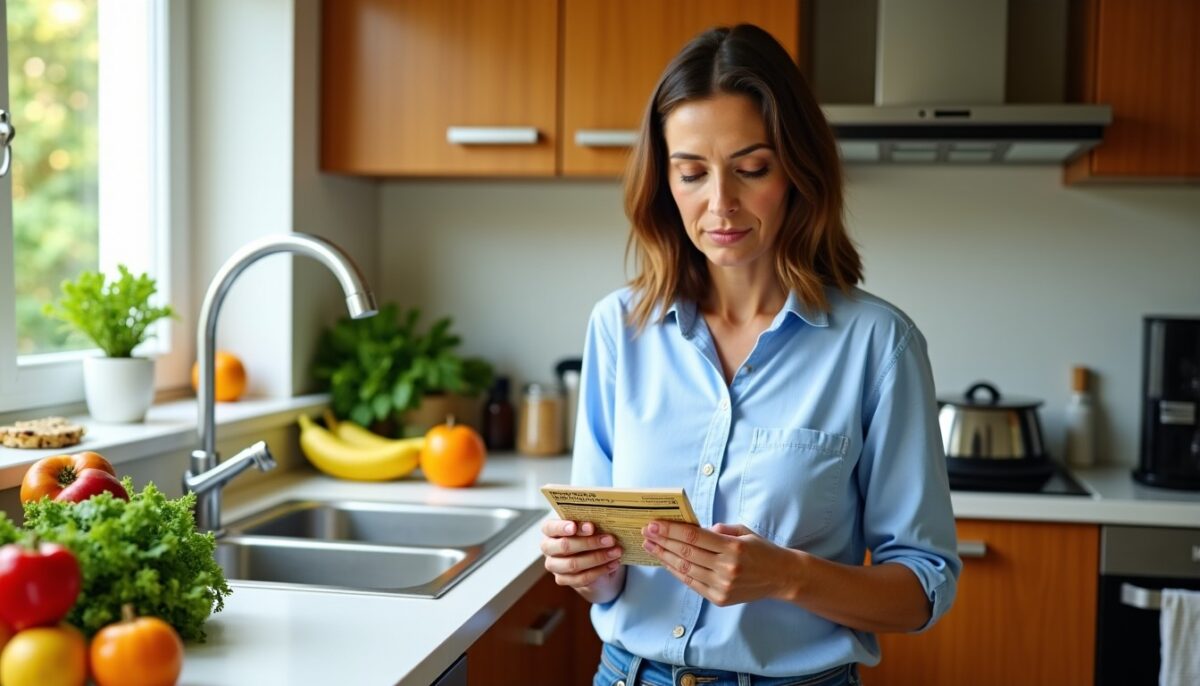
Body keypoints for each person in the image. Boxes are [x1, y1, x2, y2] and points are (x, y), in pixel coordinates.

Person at [540, 24, 960, 686]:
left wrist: (788, 576)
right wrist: (585, 567)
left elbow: (923, 590)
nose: (720, 204)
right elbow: (606, 566)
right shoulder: (618, 327)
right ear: (664, 180)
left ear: (797, 168)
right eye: (691, 173)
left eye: (751, 168)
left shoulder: (878, 344)